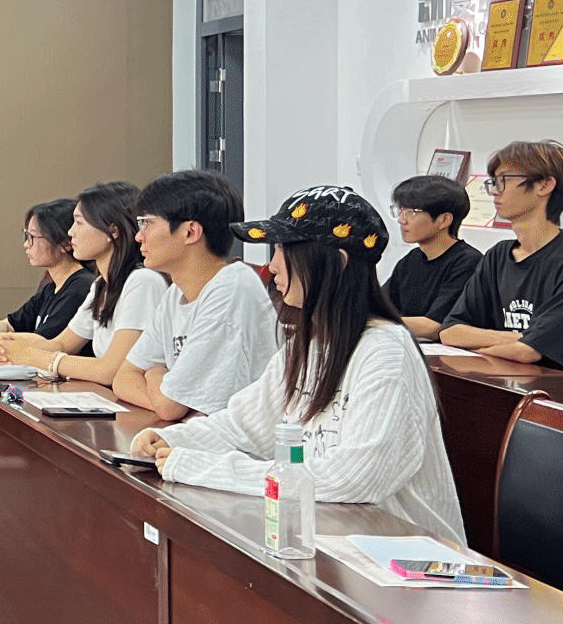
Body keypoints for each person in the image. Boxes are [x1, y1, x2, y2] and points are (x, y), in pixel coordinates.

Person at [131, 187, 465, 545]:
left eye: (283, 250)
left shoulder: (386, 351)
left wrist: (206, 468)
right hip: (332, 538)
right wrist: (172, 439)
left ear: (336, 261)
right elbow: (243, 426)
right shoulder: (312, 344)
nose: (272, 265)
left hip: (403, 555)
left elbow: (354, 479)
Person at [112, 169, 278, 423]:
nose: (138, 236)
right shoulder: (176, 293)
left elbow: (169, 407)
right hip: (194, 434)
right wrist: (164, 392)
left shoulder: (232, 288)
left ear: (190, 232)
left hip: (241, 443)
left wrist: (155, 373)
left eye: (147, 223)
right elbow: (124, 379)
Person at [0, 181, 166, 388]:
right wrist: (7, 345)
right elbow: (62, 344)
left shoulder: (142, 281)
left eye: (79, 223)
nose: (71, 232)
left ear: (113, 230)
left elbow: (109, 370)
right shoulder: (101, 284)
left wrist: (33, 356)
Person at [441, 140, 563, 366]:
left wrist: (483, 344)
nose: (495, 191)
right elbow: (451, 331)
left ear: (545, 185)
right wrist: (518, 338)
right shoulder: (498, 255)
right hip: (503, 380)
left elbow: (527, 352)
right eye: (494, 182)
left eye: (504, 180)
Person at [0, 199, 92, 347]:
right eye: (26, 236)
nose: (26, 244)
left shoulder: (81, 287)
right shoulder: (51, 288)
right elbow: (8, 325)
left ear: (65, 243)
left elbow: (42, 344)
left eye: (33, 237)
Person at [382, 172, 481, 342]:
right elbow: (381, 305)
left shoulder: (468, 263)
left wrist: (375, 320)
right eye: (400, 210)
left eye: (411, 212)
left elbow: (434, 326)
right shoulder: (411, 260)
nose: (401, 220)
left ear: (444, 220)